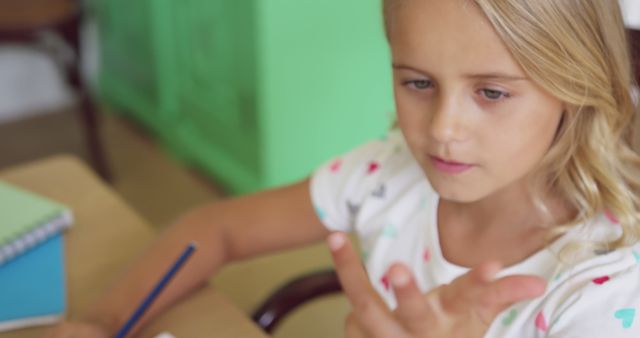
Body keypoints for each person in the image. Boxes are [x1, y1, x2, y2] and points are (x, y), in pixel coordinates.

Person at [46, 0, 640, 337]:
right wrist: (103, 320)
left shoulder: (606, 288)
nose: (441, 129)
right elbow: (216, 228)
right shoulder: (386, 174)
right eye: (417, 82)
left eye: (491, 93)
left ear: (576, 88)